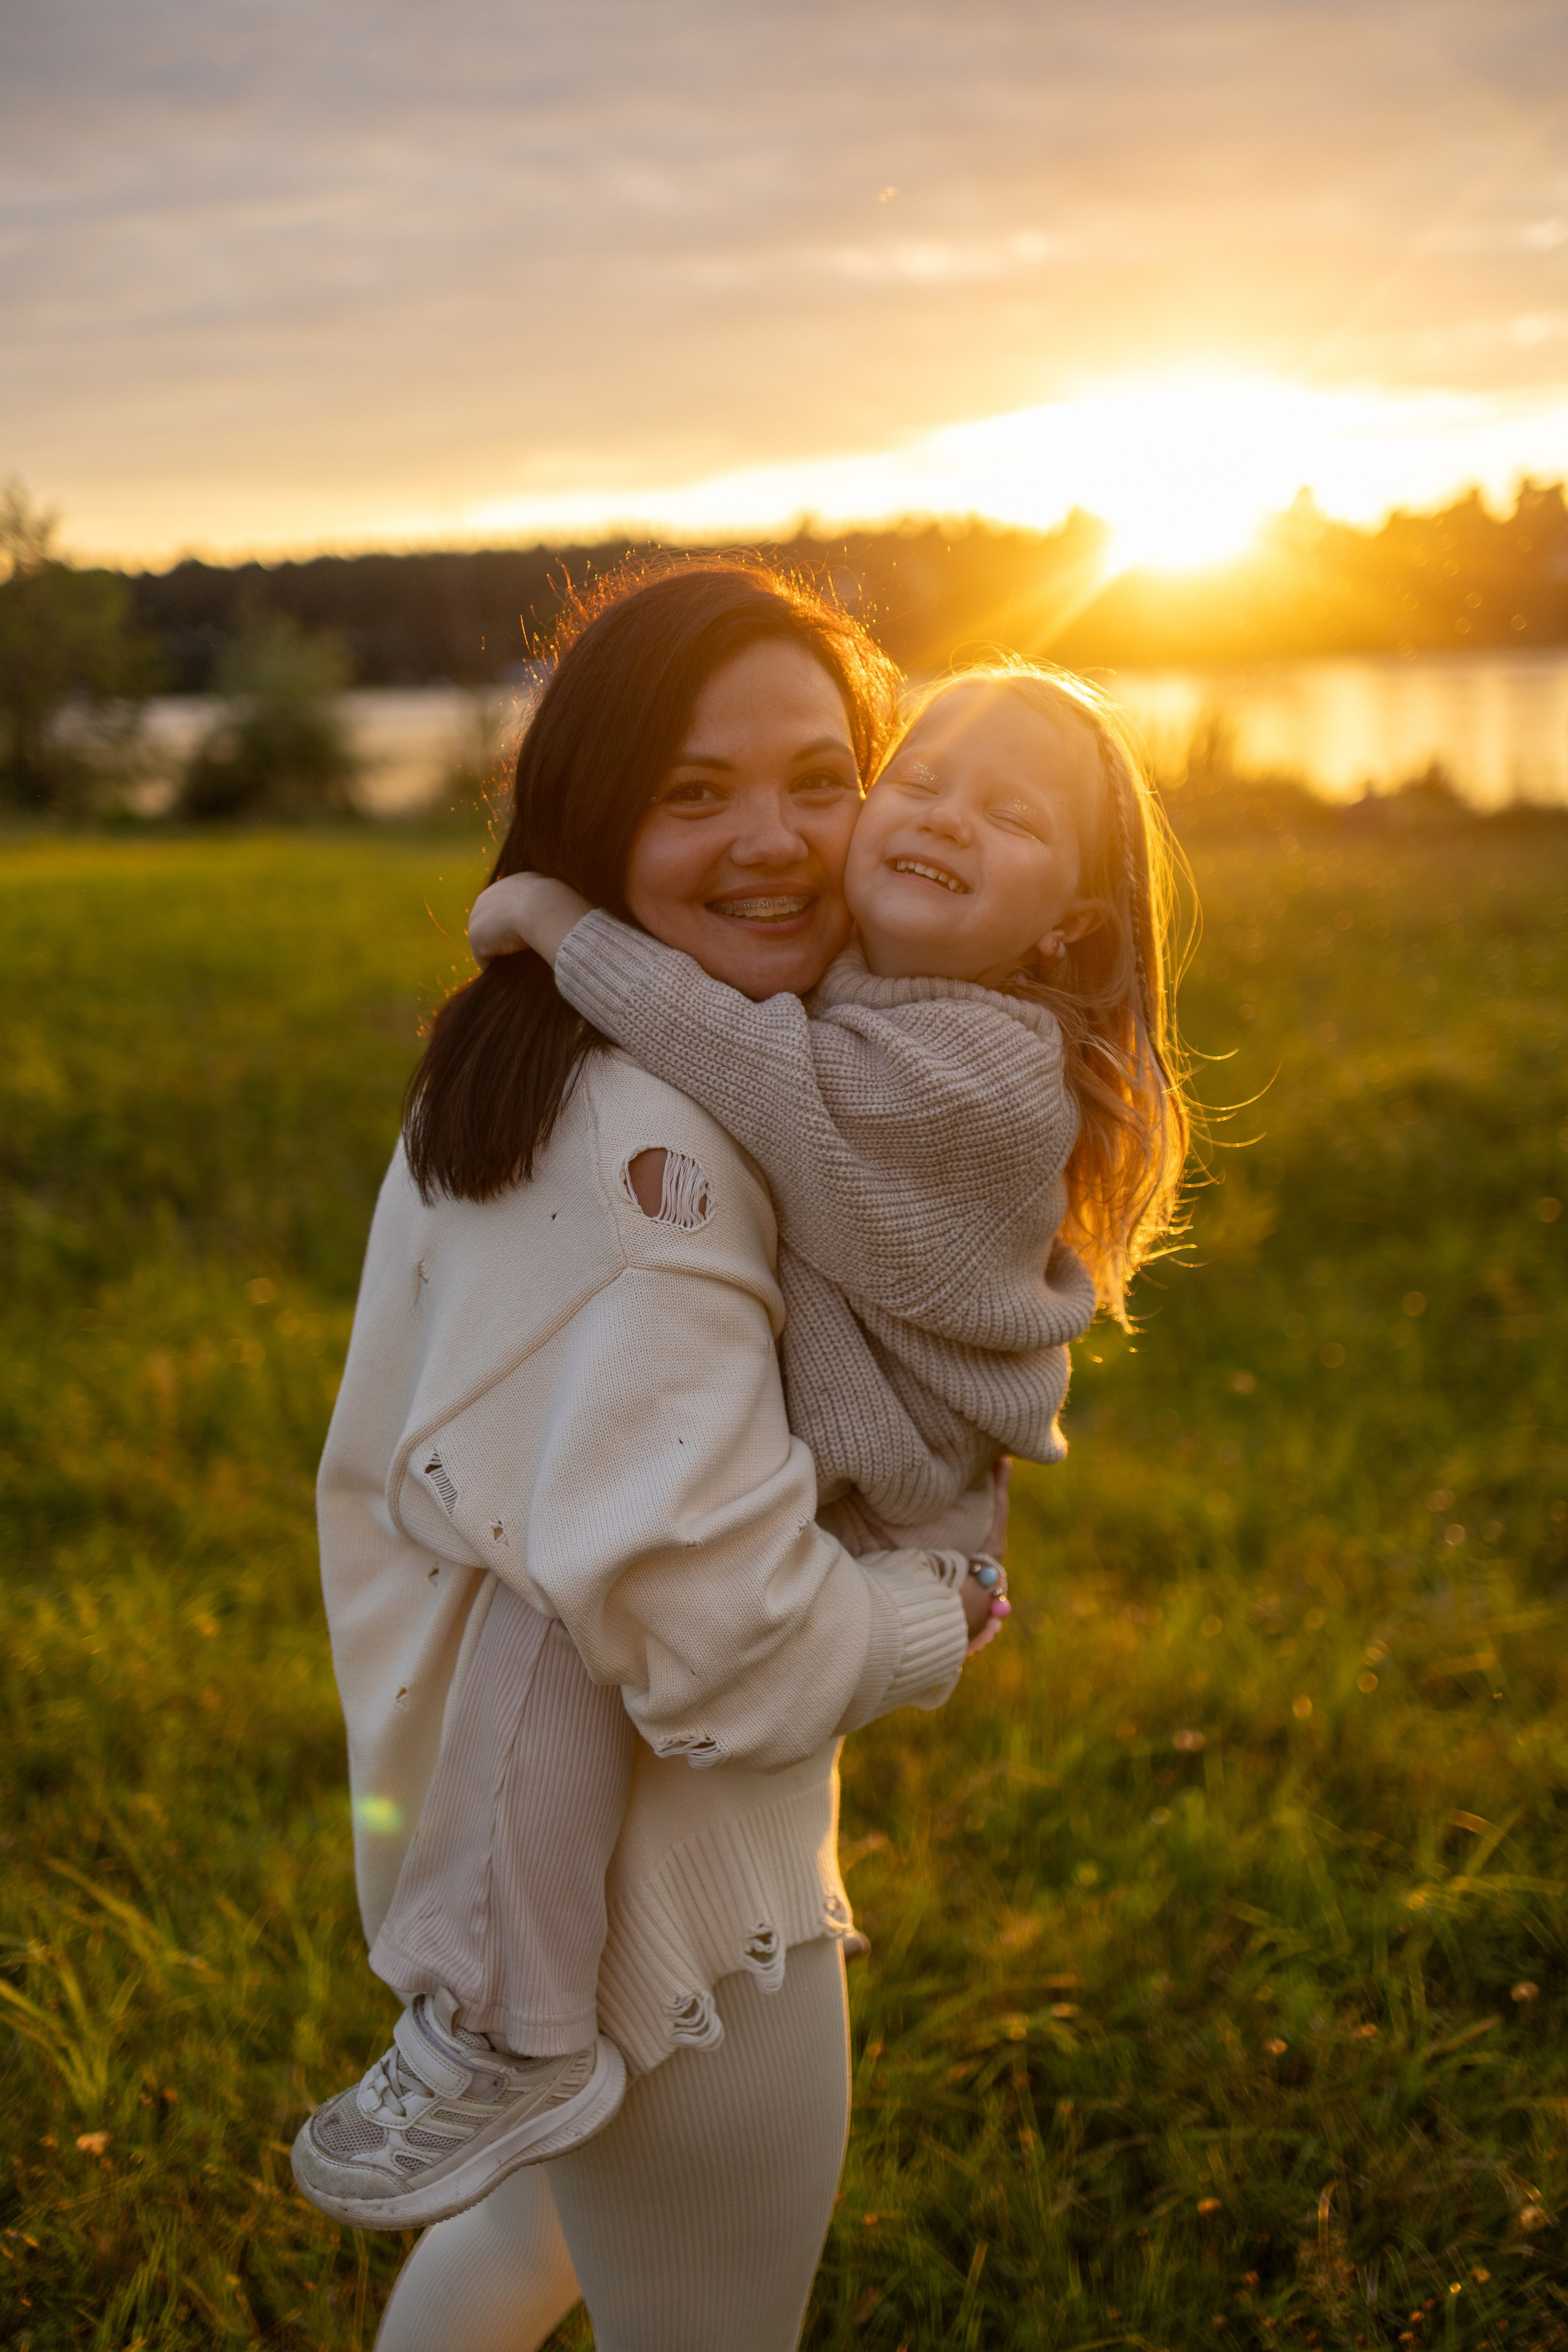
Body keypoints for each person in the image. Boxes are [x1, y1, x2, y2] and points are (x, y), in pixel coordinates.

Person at [302, 565, 1012, 2352]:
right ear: (593, 823)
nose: (773, 841)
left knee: (518, 2256)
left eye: (819, 778)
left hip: (590, 1879)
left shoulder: (575, 1051)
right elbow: (729, 1639)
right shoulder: (644, 1156)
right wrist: (941, 1617)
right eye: (694, 793)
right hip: (676, 1923)